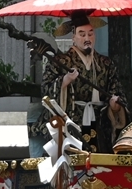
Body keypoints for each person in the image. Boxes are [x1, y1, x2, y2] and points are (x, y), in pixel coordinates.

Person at [43, 12, 127, 154]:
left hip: (99, 124)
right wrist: (64, 81)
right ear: (73, 38)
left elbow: (116, 91)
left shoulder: (105, 63)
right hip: (72, 122)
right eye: (82, 34)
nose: (87, 38)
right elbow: (46, 89)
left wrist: (114, 106)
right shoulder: (61, 62)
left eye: (90, 34)